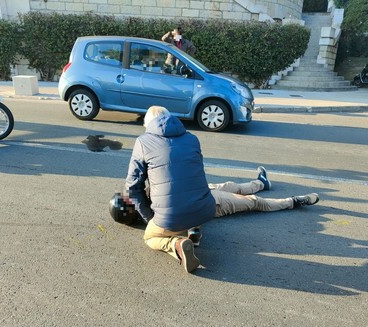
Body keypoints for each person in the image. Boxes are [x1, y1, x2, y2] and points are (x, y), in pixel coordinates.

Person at [117, 106, 320, 273]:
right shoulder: (191, 138)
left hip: (182, 210)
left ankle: (177, 243)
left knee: (151, 236)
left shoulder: (143, 143)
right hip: (204, 203)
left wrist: (150, 218)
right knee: (247, 199)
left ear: (148, 125)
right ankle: (293, 200)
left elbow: (133, 186)